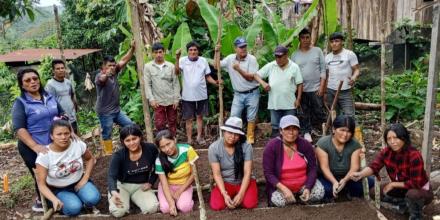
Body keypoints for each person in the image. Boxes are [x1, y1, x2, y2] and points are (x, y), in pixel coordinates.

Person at [351, 123, 433, 220]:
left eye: (396, 138)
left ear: (404, 138)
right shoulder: (386, 152)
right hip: (401, 189)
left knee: (413, 195)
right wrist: (360, 174)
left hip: (419, 190)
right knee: (374, 192)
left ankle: (416, 215)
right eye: (389, 139)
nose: (392, 142)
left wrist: (393, 184)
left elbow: (415, 183)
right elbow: (374, 166)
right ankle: (404, 205)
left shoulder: (414, 155)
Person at [11, 68, 65, 212]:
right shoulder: (20, 103)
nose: (33, 82)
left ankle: (55, 196)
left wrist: (70, 132)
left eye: (35, 78)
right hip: (31, 146)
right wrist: (35, 146)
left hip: (52, 144)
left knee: (56, 170)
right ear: (22, 85)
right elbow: (19, 129)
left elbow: (62, 115)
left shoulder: (49, 97)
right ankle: (42, 201)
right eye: (28, 80)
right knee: (41, 174)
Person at [35, 119, 100, 216]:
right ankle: (75, 202)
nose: (63, 137)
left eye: (66, 133)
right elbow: (41, 184)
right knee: (74, 208)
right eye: (59, 134)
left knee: (93, 198)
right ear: (52, 136)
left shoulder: (77, 144)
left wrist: (85, 178)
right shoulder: (45, 155)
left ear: (71, 133)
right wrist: (54, 199)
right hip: (59, 189)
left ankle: (84, 201)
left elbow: (90, 159)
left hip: (79, 181)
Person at [263, 115, 324, 207]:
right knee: (279, 201)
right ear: (280, 130)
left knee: (319, 193)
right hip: (282, 187)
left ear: (298, 131)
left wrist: (308, 187)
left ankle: (301, 199)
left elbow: (312, 169)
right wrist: (284, 189)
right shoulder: (272, 146)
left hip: (303, 185)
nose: (291, 132)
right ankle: (296, 201)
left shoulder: (305, 145)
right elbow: (268, 173)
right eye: (287, 129)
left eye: (294, 129)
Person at [315, 115, 373, 200]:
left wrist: (345, 180)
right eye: (342, 130)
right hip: (327, 178)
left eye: (349, 131)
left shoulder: (355, 144)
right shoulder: (323, 143)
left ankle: (347, 192)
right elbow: (325, 168)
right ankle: (339, 193)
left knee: (370, 183)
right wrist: (334, 182)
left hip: (349, 177)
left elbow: (355, 167)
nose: (345, 134)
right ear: (334, 129)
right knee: (326, 190)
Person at [214, 37, 260, 144]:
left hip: (252, 92)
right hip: (238, 94)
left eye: (244, 46)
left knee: (251, 117)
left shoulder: (252, 59)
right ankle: (234, 138)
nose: (243, 49)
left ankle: (250, 138)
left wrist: (238, 69)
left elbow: (250, 77)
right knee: (234, 116)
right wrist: (216, 52)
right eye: (240, 47)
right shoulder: (230, 58)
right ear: (235, 48)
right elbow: (217, 66)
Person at [107, 124, 159, 217]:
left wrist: (151, 182)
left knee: (152, 208)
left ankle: (135, 199)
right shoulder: (119, 155)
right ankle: (125, 199)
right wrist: (113, 192)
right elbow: (112, 175)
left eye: (134, 139)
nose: (132, 143)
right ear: (123, 142)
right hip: (122, 186)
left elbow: (158, 167)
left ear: (140, 137)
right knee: (118, 212)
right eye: (128, 140)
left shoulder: (151, 149)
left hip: (141, 186)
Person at [175, 41, 220, 145]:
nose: (193, 52)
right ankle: (189, 139)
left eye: (195, 50)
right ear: (188, 51)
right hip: (187, 96)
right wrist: (177, 58)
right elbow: (176, 72)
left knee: (200, 117)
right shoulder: (182, 60)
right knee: (189, 119)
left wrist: (216, 83)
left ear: (198, 51)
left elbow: (208, 77)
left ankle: (199, 137)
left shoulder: (203, 61)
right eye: (190, 50)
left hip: (202, 95)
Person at [208, 117, 258, 211]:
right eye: (230, 132)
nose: (232, 136)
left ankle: (239, 195)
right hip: (225, 182)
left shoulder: (246, 146)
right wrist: (224, 194)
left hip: (243, 180)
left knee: (250, 204)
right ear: (224, 132)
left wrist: (241, 194)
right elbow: (217, 174)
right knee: (217, 205)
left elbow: (247, 172)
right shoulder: (214, 148)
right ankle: (230, 196)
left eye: (236, 134)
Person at [95, 42, 135, 155]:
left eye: (113, 65)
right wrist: (107, 74)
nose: (112, 67)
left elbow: (124, 59)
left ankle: (126, 147)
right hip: (105, 112)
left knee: (130, 125)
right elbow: (102, 79)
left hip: (116, 111)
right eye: (109, 66)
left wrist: (132, 48)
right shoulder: (100, 76)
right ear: (103, 67)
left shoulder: (114, 71)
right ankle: (108, 154)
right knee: (107, 132)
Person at [291, 28, 326, 142]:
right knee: (303, 112)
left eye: (307, 37)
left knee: (319, 110)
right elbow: (292, 72)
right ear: (299, 39)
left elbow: (323, 69)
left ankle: (324, 131)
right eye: (303, 38)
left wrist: (322, 86)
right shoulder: (294, 54)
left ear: (310, 38)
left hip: (316, 87)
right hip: (301, 89)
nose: (305, 40)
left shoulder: (317, 51)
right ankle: (306, 132)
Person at [155, 129, 198, 216]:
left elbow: (194, 174)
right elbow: (164, 183)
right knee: (166, 209)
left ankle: (184, 200)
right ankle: (173, 202)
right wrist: (171, 203)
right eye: (162, 147)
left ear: (174, 140)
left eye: (168, 144)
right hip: (167, 186)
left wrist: (180, 191)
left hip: (184, 185)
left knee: (185, 208)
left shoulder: (187, 150)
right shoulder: (159, 160)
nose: (167, 149)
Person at [144, 43, 181, 136]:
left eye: (160, 52)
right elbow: (147, 84)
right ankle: (162, 143)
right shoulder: (148, 67)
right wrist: (151, 99)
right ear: (152, 54)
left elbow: (176, 83)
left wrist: (176, 99)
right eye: (156, 52)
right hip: (158, 101)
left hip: (171, 100)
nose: (158, 55)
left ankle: (173, 141)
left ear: (164, 52)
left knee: (172, 122)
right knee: (160, 124)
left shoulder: (171, 66)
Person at [325, 32, 361, 118]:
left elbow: (357, 70)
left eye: (337, 41)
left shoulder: (349, 54)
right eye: (332, 42)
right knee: (333, 115)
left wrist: (354, 77)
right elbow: (326, 75)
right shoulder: (327, 57)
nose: (334, 44)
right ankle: (334, 131)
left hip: (345, 90)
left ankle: (352, 131)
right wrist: (325, 92)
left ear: (342, 42)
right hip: (330, 91)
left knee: (349, 115)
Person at [45, 59, 79, 134]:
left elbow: (72, 95)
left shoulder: (68, 82)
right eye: (58, 68)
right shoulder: (50, 85)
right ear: (53, 71)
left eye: (62, 68)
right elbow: (49, 103)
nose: (61, 70)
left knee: (74, 139)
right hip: (60, 119)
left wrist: (75, 109)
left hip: (72, 116)